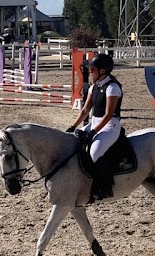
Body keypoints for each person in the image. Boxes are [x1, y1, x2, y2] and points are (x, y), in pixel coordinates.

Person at [66, 53, 123, 199]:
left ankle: (105, 186)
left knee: (95, 152)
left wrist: (93, 132)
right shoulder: (94, 87)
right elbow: (85, 110)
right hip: (95, 123)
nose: (90, 72)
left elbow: (108, 115)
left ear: (103, 71)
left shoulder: (112, 88)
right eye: (90, 70)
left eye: (93, 70)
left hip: (110, 126)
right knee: (73, 141)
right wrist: (73, 127)